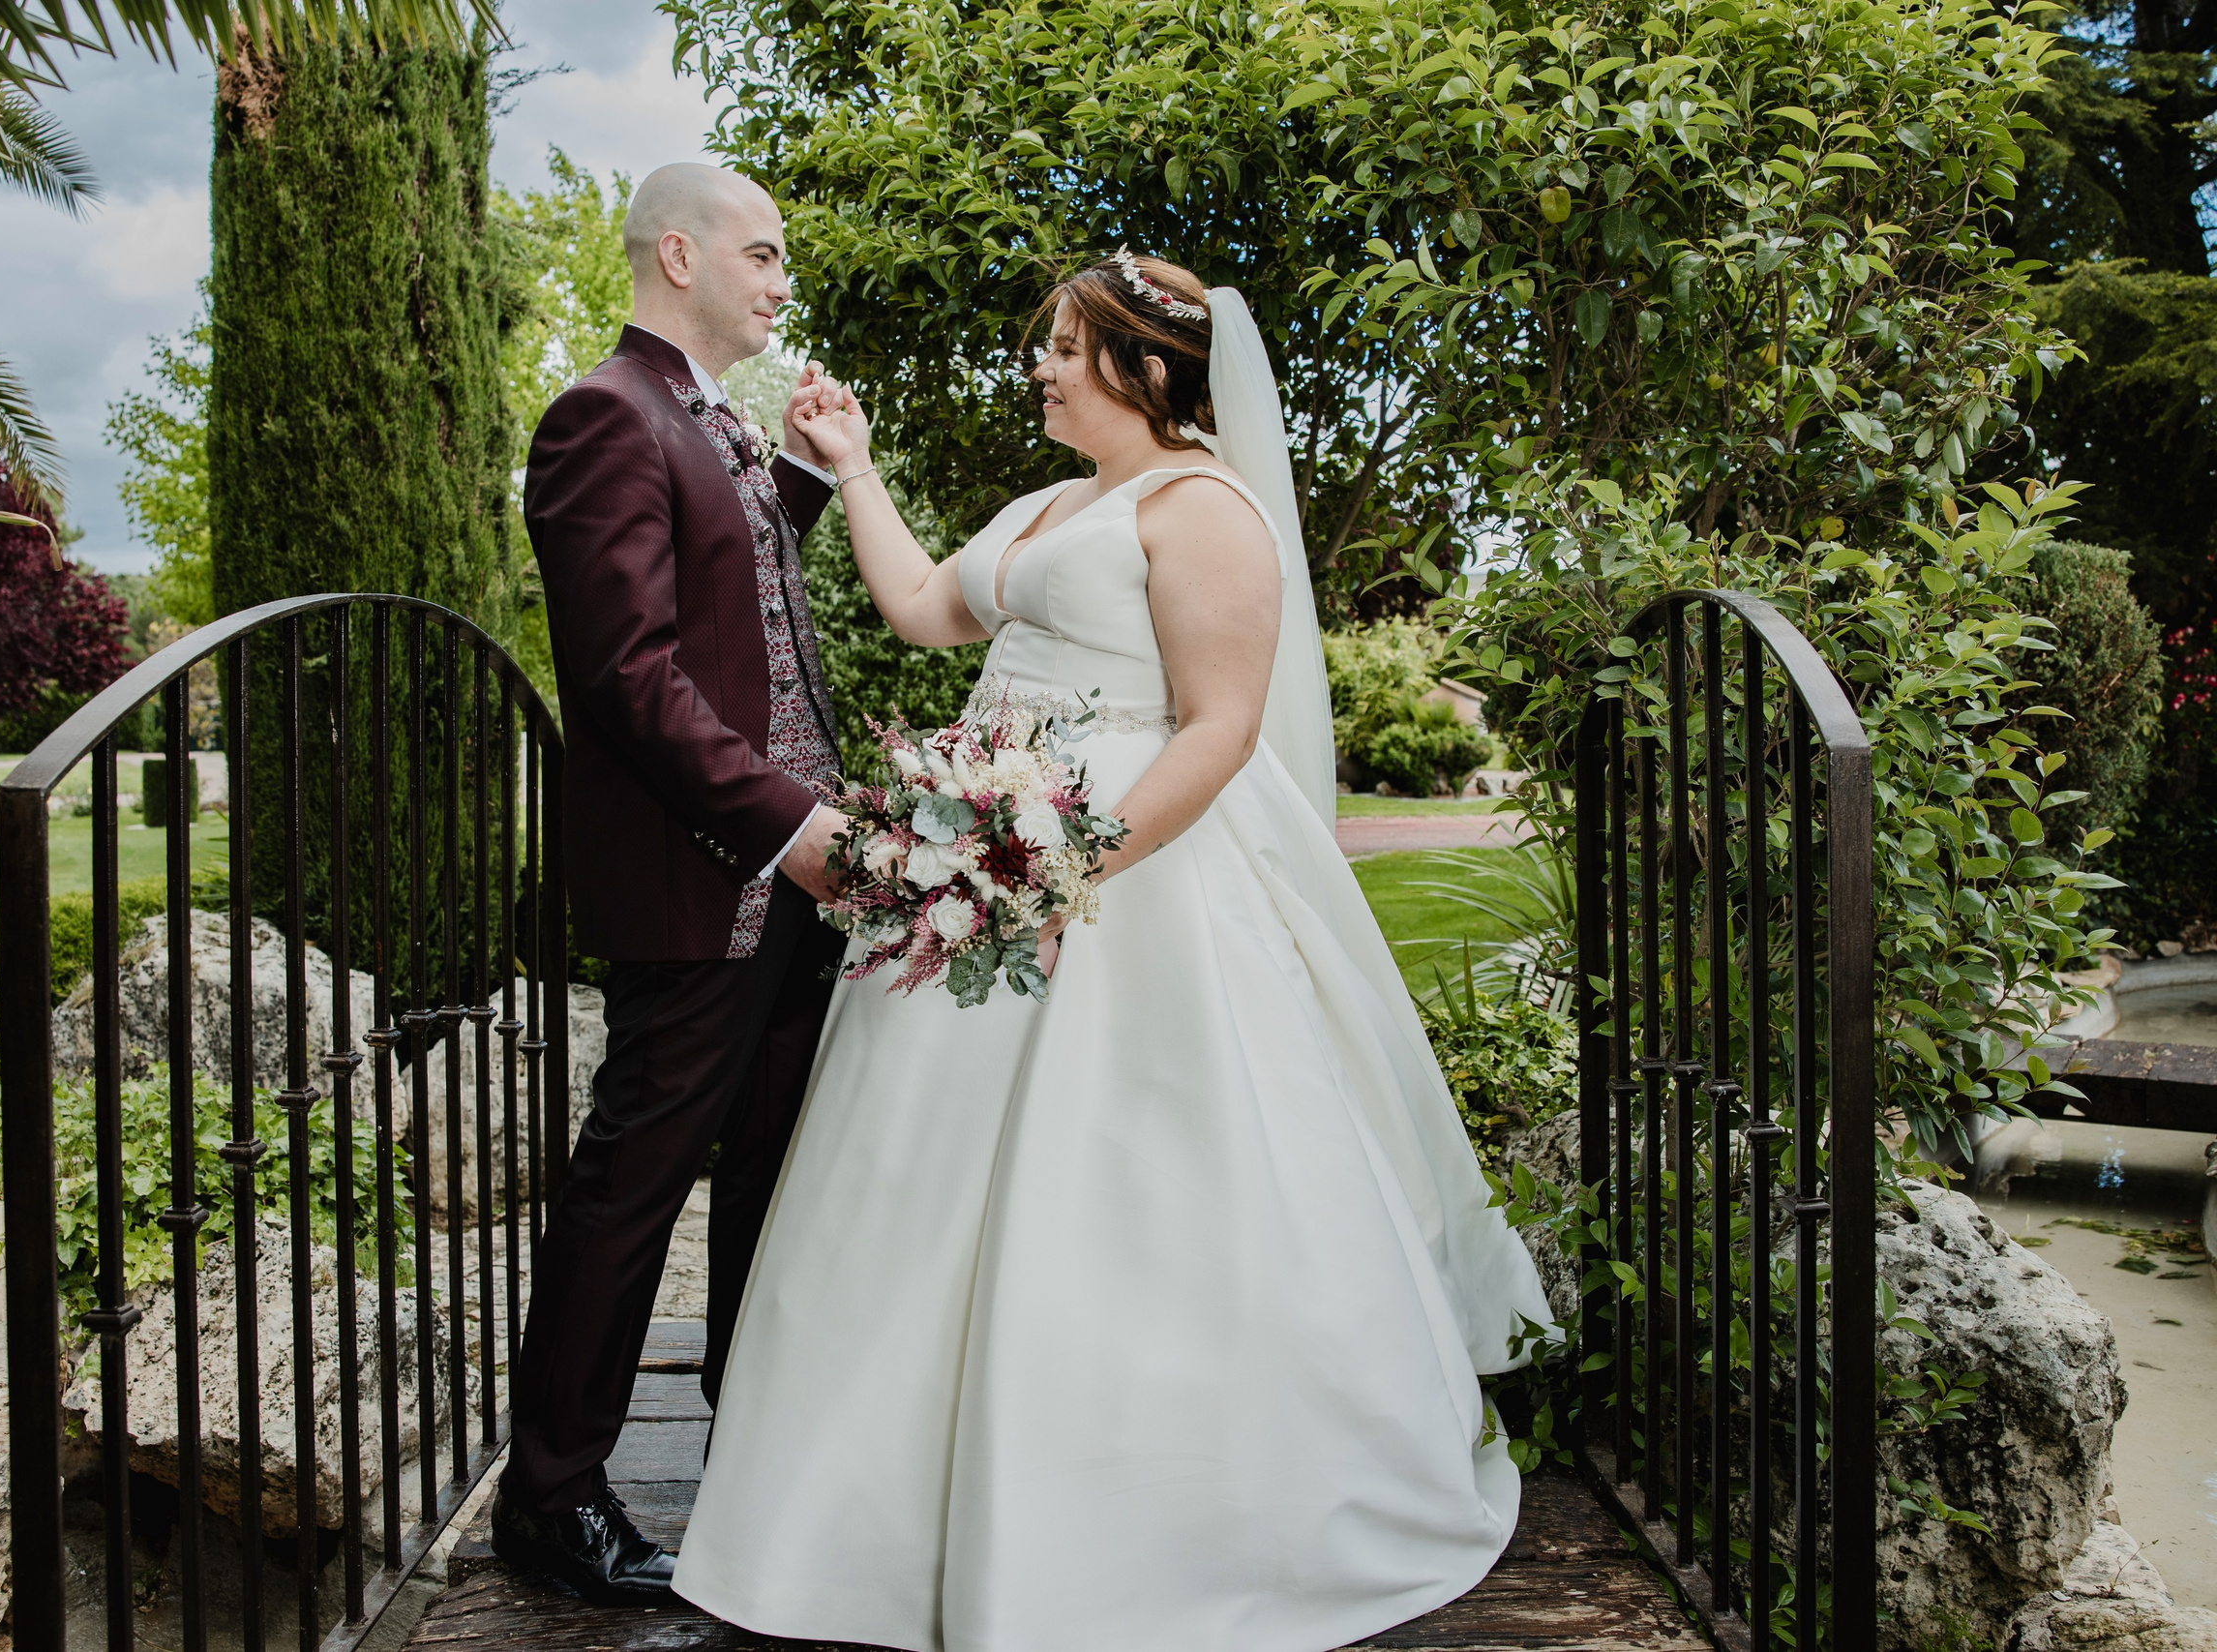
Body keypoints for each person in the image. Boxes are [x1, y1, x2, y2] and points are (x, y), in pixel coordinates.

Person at [671, 253, 1553, 1650]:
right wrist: (849, 465)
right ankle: (869, 1518)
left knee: (1144, 1184)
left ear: (1149, 370)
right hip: (990, 875)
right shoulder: (1046, 506)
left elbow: (1216, 728)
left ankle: (1153, 1515)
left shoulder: (1205, 509)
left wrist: (1066, 864)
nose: (1043, 365)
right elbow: (918, 607)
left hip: (1132, 882)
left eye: (1070, 347)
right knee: (908, 1193)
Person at [491, 162, 854, 1602]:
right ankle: (552, 1494)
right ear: (681, 254)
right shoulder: (602, 414)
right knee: (632, 1185)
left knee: (773, 1171)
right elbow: (630, 679)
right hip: (707, 884)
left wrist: (809, 479)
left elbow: (731, 607)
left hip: (789, 889)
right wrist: (787, 826)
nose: (780, 281)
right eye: (763, 255)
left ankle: (751, 1441)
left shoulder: (713, 422)